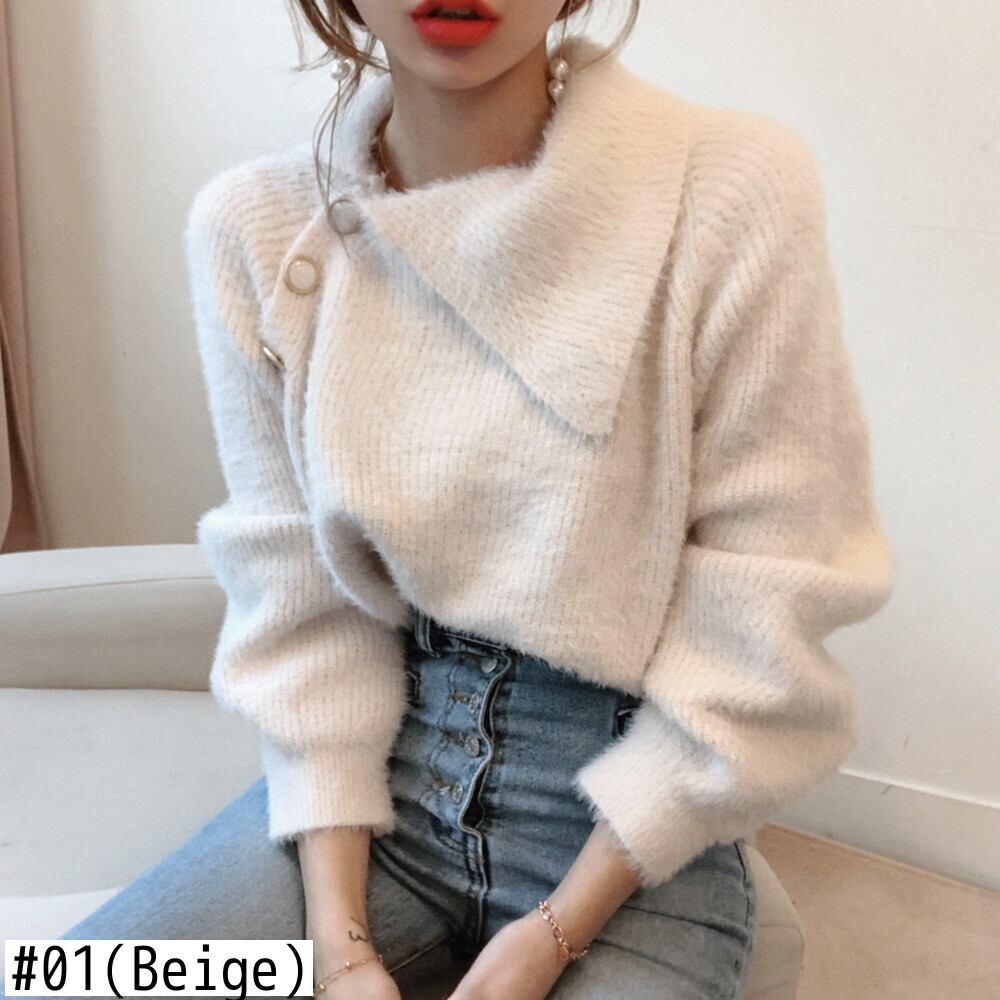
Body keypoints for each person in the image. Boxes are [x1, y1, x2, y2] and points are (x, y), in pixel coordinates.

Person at [41, 2, 894, 998]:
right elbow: (303, 613)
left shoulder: (729, 187)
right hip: (383, 799)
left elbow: (765, 610)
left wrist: (555, 932)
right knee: (59, 980)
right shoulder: (255, 226)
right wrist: (341, 949)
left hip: (633, 838)